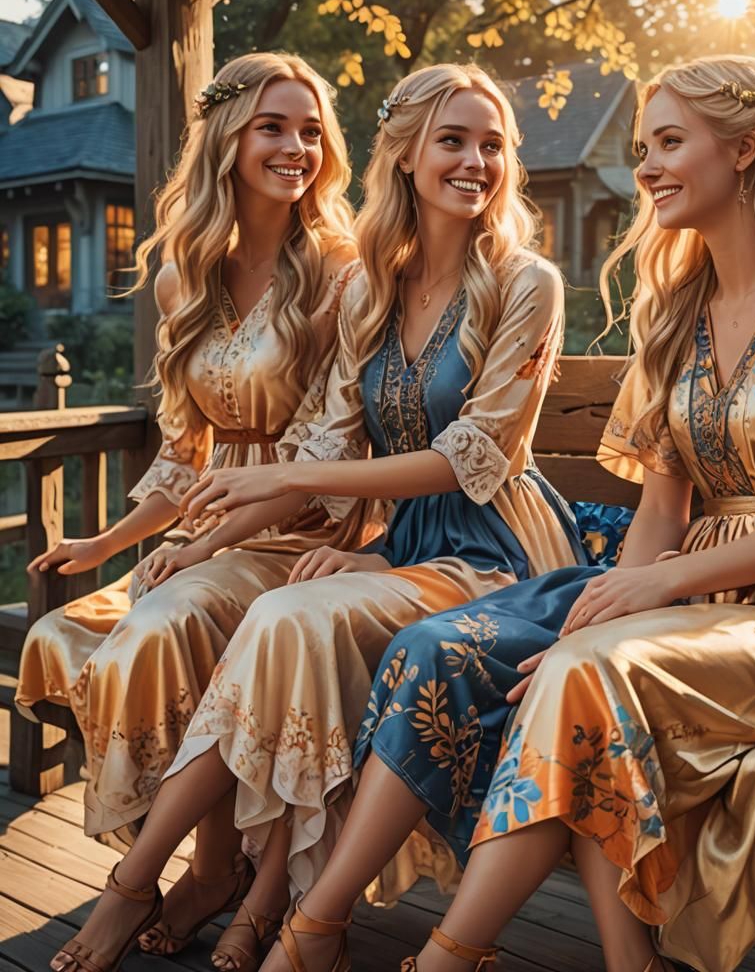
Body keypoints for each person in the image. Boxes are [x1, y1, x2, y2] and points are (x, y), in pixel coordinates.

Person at [276, 54, 755, 972]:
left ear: (747, 149)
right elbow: (664, 508)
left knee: (583, 674)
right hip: (683, 595)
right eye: (643, 148)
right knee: (471, 649)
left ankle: (442, 956)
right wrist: (614, 600)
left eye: (671, 142)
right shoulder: (677, 311)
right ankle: (340, 926)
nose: (647, 167)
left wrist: (644, 595)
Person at [50, 62, 585, 972]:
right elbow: (323, 445)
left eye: (493, 144)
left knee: (286, 613)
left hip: (498, 559)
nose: (476, 161)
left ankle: (167, 888)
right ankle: (251, 897)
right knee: (279, 616)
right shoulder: (376, 286)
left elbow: (477, 457)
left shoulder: (525, 282)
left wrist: (300, 514)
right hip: (401, 547)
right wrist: (207, 534)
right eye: (453, 141)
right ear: (406, 157)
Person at [21, 49, 379, 968]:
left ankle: (149, 881)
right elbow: (187, 452)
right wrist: (108, 539)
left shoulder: (344, 272)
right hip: (211, 535)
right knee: (76, 630)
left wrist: (204, 544)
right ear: (227, 135)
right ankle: (216, 866)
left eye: (311, 131)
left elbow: (325, 454)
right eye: (273, 126)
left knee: (159, 627)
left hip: (306, 531)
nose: (297, 147)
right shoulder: (185, 272)